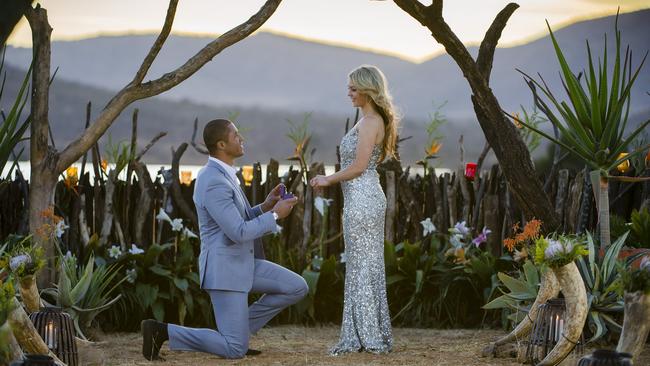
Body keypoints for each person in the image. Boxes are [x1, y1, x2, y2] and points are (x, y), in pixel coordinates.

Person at [141, 118, 308, 360]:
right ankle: (162, 331)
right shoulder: (214, 182)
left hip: (243, 263)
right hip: (226, 270)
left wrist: (265, 206)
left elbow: (238, 219)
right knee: (234, 350)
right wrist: (275, 215)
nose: (242, 140)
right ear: (221, 144)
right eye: (236, 136)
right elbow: (238, 231)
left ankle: (238, 330)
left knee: (296, 287)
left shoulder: (224, 175)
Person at [310, 65, 397, 355]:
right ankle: (367, 331)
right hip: (363, 197)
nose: (348, 93)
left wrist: (327, 179)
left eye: (353, 88)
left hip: (363, 199)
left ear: (367, 90)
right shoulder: (367, 119)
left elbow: (360, 167)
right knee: (365, 262)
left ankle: (365, 334)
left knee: (362, 263)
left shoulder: (372, 122)